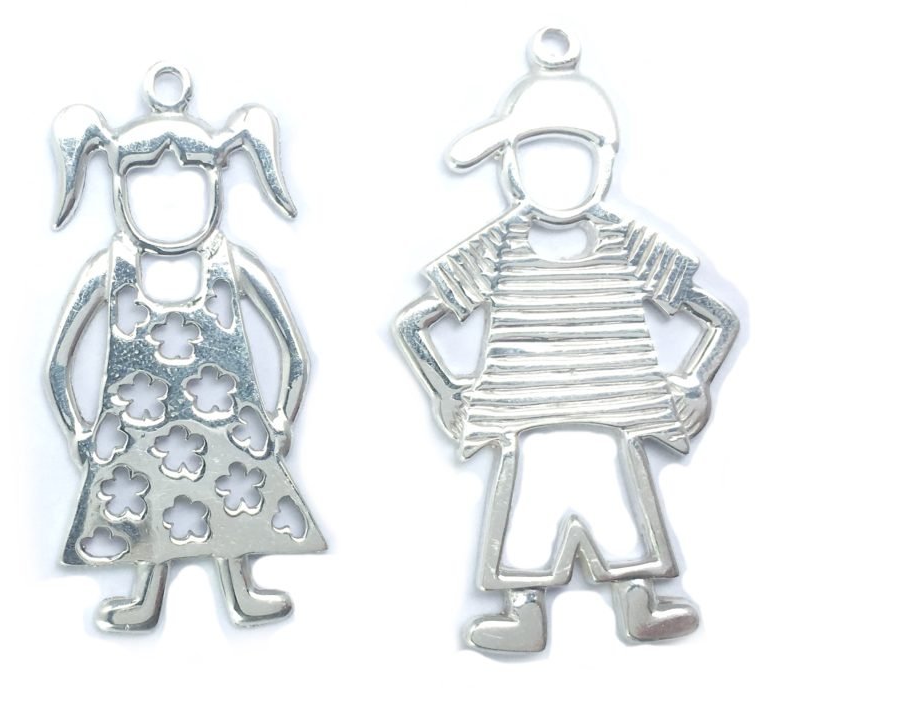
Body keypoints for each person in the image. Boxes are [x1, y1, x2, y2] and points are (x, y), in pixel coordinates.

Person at [394, 30, 738, 652]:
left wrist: (695, 379)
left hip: (612, 420)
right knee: (526, 518)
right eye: (538, 156)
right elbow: (413, 324)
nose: (557, 175)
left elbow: (718, 318)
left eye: (572, 156)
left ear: (602, 162)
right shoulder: (496, 248)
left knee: (622, 516)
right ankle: (524, 615)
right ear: (512, 165)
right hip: (527, 423)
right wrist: (445, 389)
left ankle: (638, 606)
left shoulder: (630, 244)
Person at [47, 64, 325, 631]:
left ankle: (240, 591)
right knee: (146, 509)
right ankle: (145, 598)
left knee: (232, 503)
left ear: (216, 183)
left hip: (233, 438)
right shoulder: (106, 272)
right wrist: (76, 427)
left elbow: (296, 353)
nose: (167, 202)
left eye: (188, 183)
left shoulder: (236, 266)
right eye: (147, 186)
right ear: (119, 188)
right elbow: (57, 363)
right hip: (133, 441)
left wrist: (281, 417)